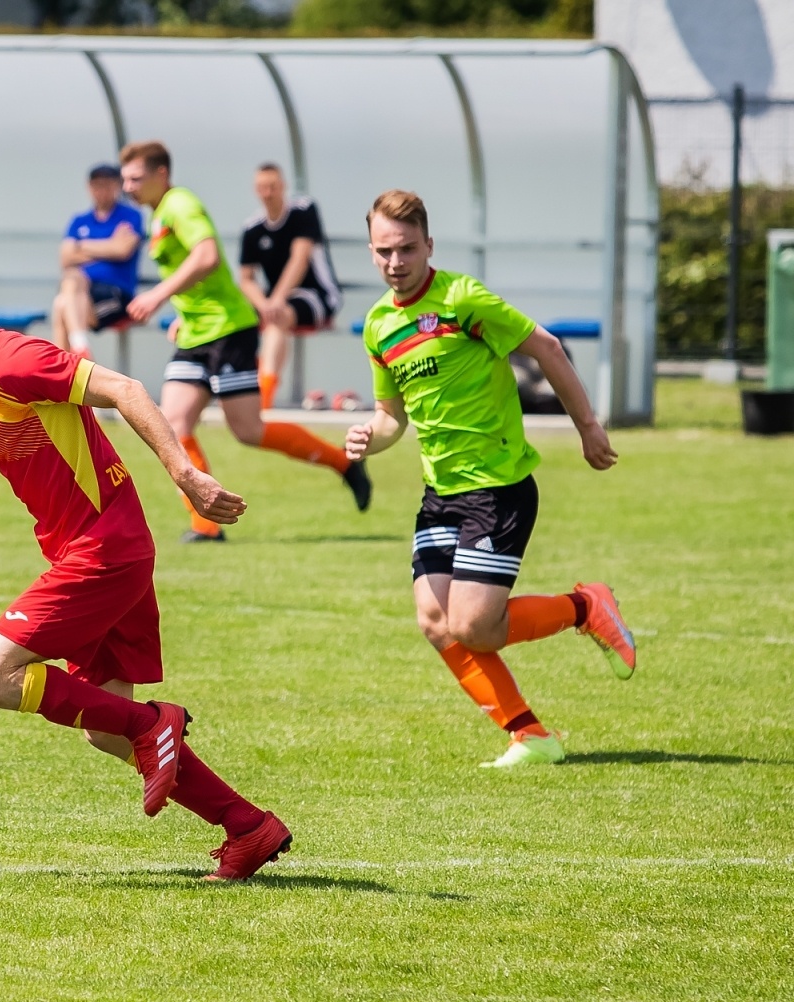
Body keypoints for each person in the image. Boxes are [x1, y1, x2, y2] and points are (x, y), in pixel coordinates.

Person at [0, 255, 293, 882]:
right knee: (106, 730)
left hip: (105, 548)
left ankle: (153, 722)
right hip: (95, 555)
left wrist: (186, 476)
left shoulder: (14, 359)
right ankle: (248, 827)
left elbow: (124, 389)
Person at [345, 190, 637, 768]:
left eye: (406, 249)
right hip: (441, 494)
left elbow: (548, 348)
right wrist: (366, 440)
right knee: (435, 623)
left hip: (497, 488)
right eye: (383, 251)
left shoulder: (462, 299)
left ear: (429, 244)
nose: (395, 262)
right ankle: (531, 736)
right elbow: (390, 418)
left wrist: (587, 426)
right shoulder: (380, 325)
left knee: (475, 627)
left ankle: (584, 607)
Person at [118, 141, 371, 543]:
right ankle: (206, 524)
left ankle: (344, 464)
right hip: (196, 333)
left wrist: (157, 294)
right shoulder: (157, 215)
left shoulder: (180, 204)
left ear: (161, 174)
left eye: (135, 178)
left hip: (229, 332)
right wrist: (183, 316)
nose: (127, 186)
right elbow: (201, 281)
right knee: (173, 423)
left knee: (248, 430)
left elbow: (207, 258)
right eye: (125, 178)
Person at [237, 163, 343, 411]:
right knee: (239, 319)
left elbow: (300, 258)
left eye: (272, 186)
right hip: (276, 299)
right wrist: (264, 304)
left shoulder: (303, 210)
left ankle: (263, 395)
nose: (268, 193)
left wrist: (275, 301)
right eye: (262, 187)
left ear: (283, 186)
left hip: (318, 294)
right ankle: (237, 387)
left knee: (277, 318)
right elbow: (246, 279)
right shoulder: (252, 227)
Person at [51, 163, 143, 356]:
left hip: (116, 295)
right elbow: (65, 258)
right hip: (83, 294)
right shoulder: (80, 220)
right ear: (89, 187)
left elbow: (123, 250)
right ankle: (80, 347)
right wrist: (109, 245)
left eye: (107, 185)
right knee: (69, 286)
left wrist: (82, 245)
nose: (102, 190)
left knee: (63, 303)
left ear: (117, 186)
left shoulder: (130, 216)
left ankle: (63, 369)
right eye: (97, 185)